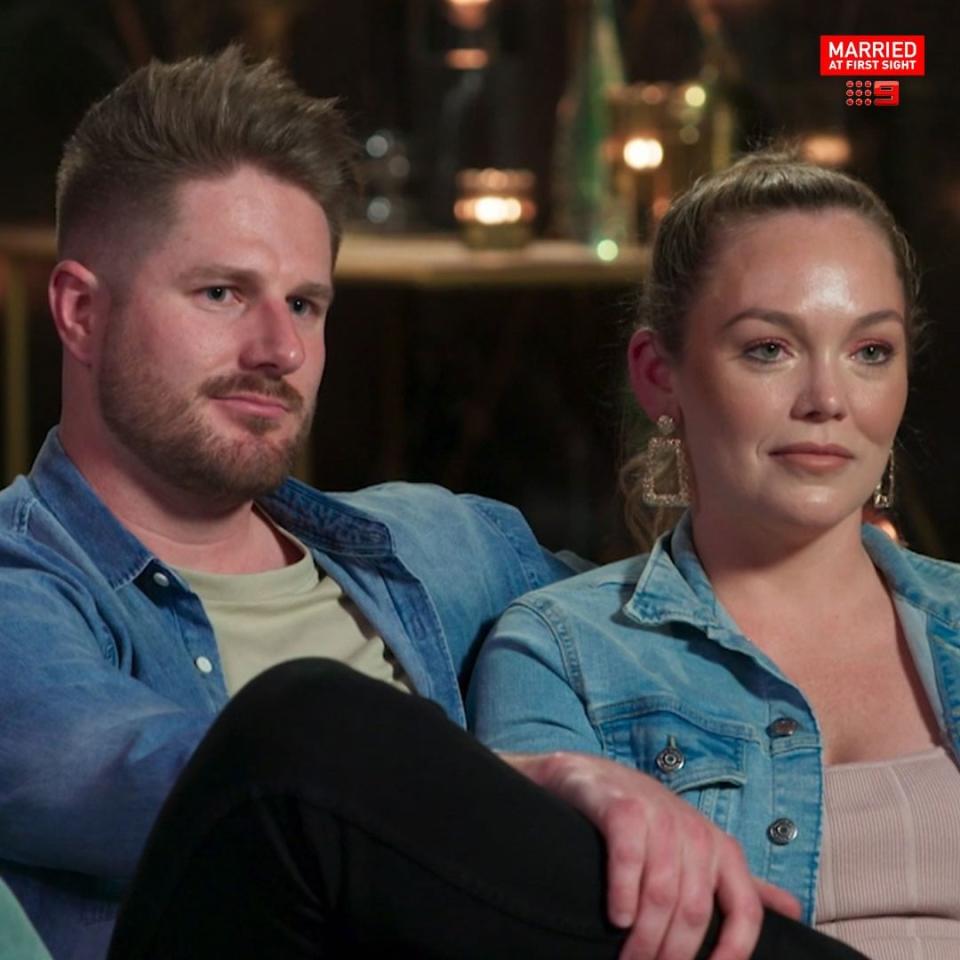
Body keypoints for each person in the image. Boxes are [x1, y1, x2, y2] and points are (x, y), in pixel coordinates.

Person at [0, 47, 860, 960]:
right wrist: (530, 782)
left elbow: (680, 637)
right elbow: (182, 788)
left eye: (306, 304)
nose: (280, 349)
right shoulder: (23, 586)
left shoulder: (445, 545)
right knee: (301, 730)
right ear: (80, 313)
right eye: (222, 294)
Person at [470, 149, 960, 960]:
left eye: (870, 351)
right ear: (659, 375)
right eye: (769, 348)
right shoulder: (564, 653)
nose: (828, 401)